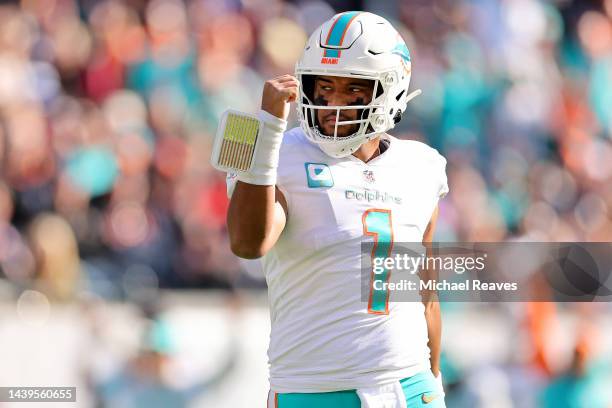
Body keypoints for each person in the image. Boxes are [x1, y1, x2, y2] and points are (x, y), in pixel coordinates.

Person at [219, 11, 448, 408]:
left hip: (410, 387)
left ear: (390, 90)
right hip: (313, 391)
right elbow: (247, 243)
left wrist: (435, 379)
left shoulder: (422, 166)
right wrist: (268, 129)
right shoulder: (279, 150)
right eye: (323, 88)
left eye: (352, 90)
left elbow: (423, 292)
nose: (332, 104)